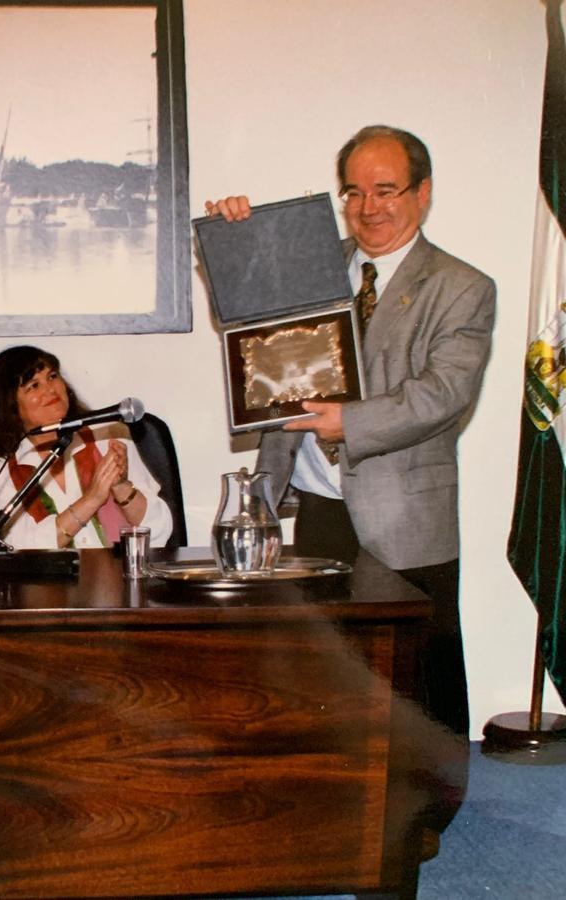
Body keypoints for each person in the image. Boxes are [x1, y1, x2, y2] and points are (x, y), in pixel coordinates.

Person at [207, 124, 496, 837]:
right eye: (355, 191)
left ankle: (431, 816)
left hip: (407, 515)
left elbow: (443, 396)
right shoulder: (308, 263)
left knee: (422, 673)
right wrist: (237, 236)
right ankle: (340, 808)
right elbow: (243, 324)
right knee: (326, 669)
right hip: (315, 506)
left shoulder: (462, 287)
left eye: (387, 190)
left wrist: (350, 422)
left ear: (422, 195)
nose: (369, 207)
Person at [0, 345, 172, 549]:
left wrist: (122, 487)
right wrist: (92, 499)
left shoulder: (107, 435)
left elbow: (160, 530)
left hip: (117, 575)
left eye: (52, 376)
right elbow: (19, 546)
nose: (50, 389)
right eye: (33, 385)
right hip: (44, 580)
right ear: (10, 406)